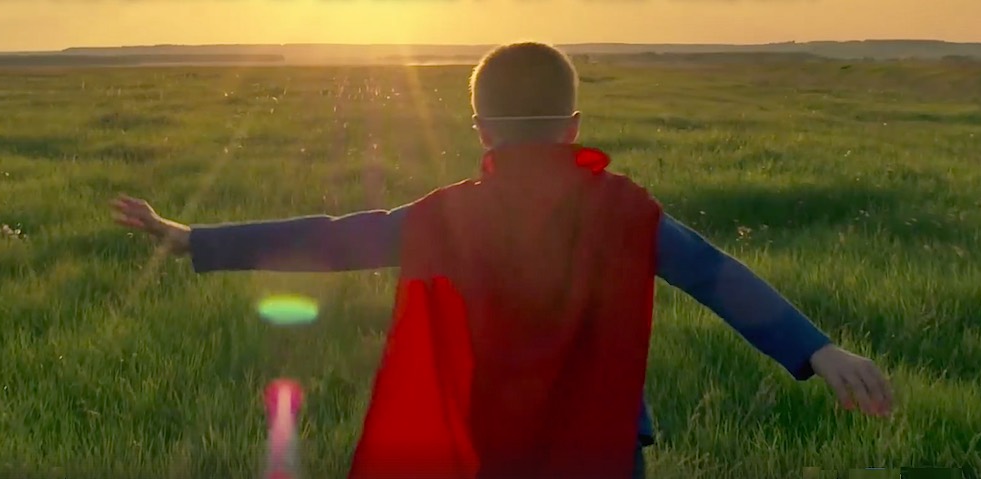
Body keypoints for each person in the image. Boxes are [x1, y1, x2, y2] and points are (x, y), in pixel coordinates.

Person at [111, 42, 893, 478]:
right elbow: (717, 274)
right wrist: (818, 348)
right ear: (574, 123)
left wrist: (194, 237)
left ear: (481, 129)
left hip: (484, 447)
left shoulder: (447, 215)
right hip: (602, 452)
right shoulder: (625, 211)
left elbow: (337, 237)